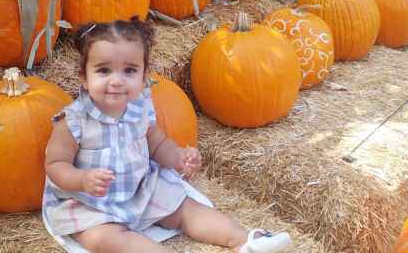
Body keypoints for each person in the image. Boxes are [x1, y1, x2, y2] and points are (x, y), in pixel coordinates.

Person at [42, 17, 291, 253]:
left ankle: (245, 240)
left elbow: (157, 144)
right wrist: (82, 179)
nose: (116, 81)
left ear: (143, 75)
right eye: (104, 70)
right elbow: (55, 164)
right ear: (84, 77)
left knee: (185, 208)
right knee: (104, 239)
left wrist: (177, 157)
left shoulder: (140, 107)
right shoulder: (73, 120)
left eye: (129, 71)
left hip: (140, 188)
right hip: (91, 204)